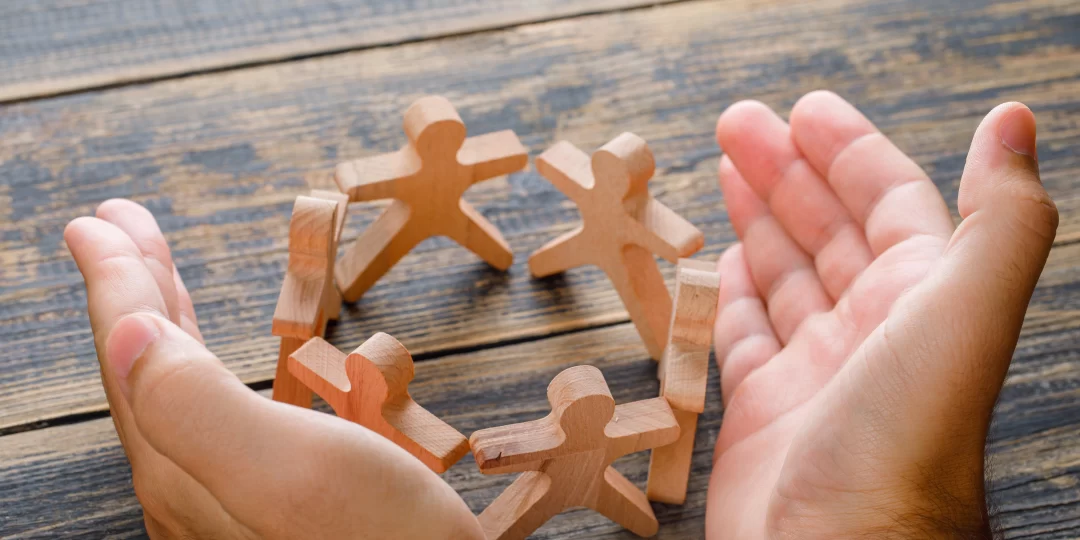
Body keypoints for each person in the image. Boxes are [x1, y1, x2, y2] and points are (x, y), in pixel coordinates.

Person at [65, 92, 1056, 539]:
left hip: (603, 252)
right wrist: (880, 524)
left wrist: (883, 520)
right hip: (563, 242)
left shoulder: (586, 417)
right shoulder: (376, 385)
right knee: (429, 257)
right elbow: (504, 441)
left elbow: (517, 445)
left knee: (637, 323)